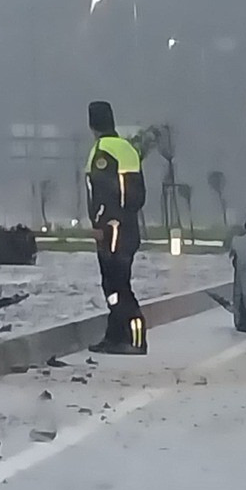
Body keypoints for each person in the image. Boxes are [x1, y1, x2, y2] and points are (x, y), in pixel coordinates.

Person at [84, 100, 148, 354]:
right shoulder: (126, 148)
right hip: (129, 225)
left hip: (112, 229)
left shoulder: (102, 150)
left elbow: (103, 193)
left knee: (116, 286)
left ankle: (135, 338)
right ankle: (115, 336)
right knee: (117, 283)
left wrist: (100, 222)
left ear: (92, 124)